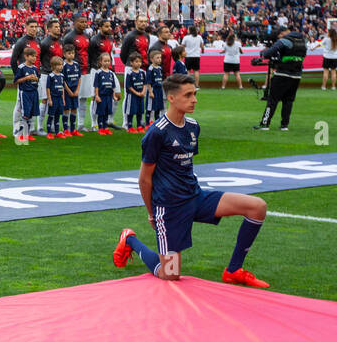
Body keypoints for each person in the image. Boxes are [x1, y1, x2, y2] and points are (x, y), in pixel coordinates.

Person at [114, 73, 270, 289]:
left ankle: (233, 270)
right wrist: (152, 213)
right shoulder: (156, 133)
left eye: (194, 94)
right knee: (170, 276)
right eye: (188, 95)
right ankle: (130, 239)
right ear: (171, 98)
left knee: (257, 207)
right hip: (169, 207)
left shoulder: (193, 126)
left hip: (195, 197)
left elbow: (184, 166)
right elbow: (144, 179)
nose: (194, 99)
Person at [253, 20, 305, 132]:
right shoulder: (302, 41)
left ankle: (265, 124)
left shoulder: (285, 40)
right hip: (296, 75)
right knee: (288, 101)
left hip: (282, 74)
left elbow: (268, 53)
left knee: (272, 99)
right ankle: (284, 125)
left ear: (282, 33)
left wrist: (263, 53)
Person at [86, 19, 116, 130]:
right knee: (95, 97)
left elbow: (110, 54)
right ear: (100, 27)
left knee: (116, 94)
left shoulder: (111, 39)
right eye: (106, 26)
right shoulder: (94, 40)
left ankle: (108, 120)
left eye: (109, 26)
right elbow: (89, 55)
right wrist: (91, 70)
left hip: (109, 70)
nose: (109, 28)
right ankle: (94, 123)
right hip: (96, 70)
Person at [13, 48, 40, 143]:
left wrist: (35, 79)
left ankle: (27, 134)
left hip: (34, 92)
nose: (34, 58)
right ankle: (20, 134)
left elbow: (37, 79)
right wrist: (27, 78)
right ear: (26, 56)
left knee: (31, 114)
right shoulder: (21, 68)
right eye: (32, 56)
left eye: (35, 56)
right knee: (25, 114)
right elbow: (16, 81)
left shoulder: (35, 68)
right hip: (25, 93)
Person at [93, 54, 119, 134]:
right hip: (101, 96)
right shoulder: (98, 73)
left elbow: (113, 86)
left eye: (108, 61)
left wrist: (114, 95)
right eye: (105, 61)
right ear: (100, 62)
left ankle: (105, 127)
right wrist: (96, 95)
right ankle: (100, 128)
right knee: (101, 113)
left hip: (109, 96)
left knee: (107, 112)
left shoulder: (111, 73)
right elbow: (96, 85)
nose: (107, 63)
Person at [61, 43, 82, 136]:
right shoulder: (63, 65)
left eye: (73, 53)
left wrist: (77, 90)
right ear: (64, 54)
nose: (71, 55)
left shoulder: (76, 64)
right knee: (66, 109)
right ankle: (66, 129)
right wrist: (69, 91)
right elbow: (62, 80)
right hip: (67, 91)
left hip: (75, 91)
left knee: (74, 109)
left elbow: (79, 78)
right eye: (69, 53)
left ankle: (73, 129)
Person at [123, 52, 147, 133]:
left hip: (141, 95)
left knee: (139, 111)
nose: (138, 63)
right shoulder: (129, 73)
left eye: (140, 61)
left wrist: (143, 91)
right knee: (131, 111)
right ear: (131, 63)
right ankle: (130, 127)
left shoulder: (142, 72)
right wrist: (136, 93)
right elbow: (129, 86)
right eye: (136, 61)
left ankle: (139, 126)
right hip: (132, 96)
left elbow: (145, 83)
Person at [44, 56, 66, 137]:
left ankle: (57, 133)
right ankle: (49, 133)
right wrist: (49, 99)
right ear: (54, 66)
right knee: (51, 115)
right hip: (53, 98)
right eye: (59, 65)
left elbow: (63, 88)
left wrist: (63, 99)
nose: (61, 66)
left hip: (60, 99)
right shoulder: (51, 76)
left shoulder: (62, 76)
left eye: (62, 65)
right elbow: (48, 88)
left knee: (58, 116)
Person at [146, 53, 166, 126]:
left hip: (159, 90)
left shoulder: (160, 68)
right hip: (153, 90)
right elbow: (148, 82)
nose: (159, 59)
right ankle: (148, 123)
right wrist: (150, 92)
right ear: (151, 59)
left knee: (158, 107)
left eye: (160, 57)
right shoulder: (150, 69)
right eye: (157, 58)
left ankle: (157, 122)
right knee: (150, 107)